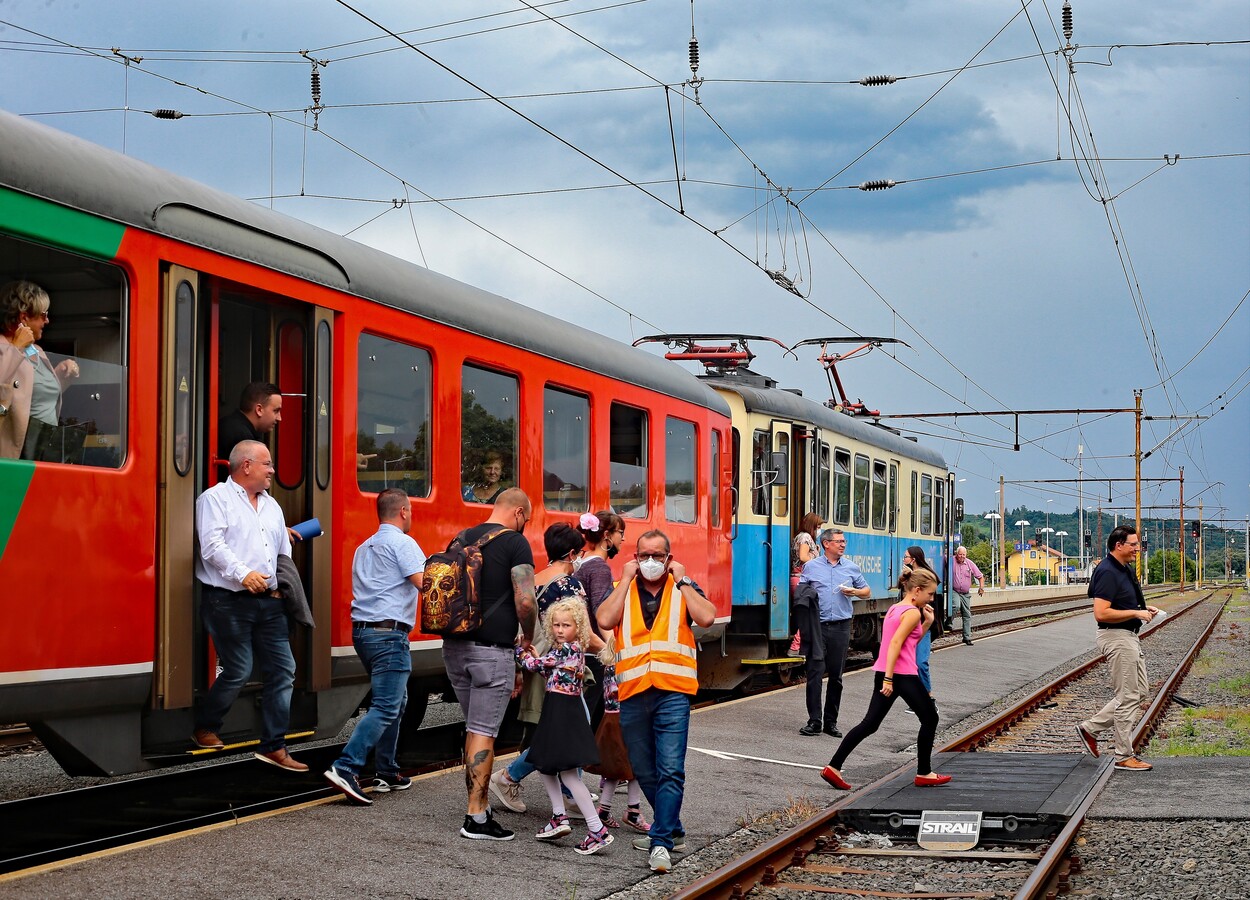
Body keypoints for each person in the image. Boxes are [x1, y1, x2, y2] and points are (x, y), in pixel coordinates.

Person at [596, 529, 717, 874]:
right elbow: (604, 619)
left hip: (673, 692)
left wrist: (684, 581)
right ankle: (672, 829)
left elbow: (707, 617)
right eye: (644, 555)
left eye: (657, 556)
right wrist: (624, 580)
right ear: (635, 558)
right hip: (634, 693)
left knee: (671, 769)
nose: (650, 561)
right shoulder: (623, 589)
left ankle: (660, 842)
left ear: (669, 558)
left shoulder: (683, 588)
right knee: (643, 769)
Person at [192, 440, 307, 772]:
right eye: (267, 464)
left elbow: (282, 552)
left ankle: (274, 746)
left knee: (284, 670)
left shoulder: (273, 506)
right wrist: (244, 574)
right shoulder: (214, 499)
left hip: (269, 603)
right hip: (227, 600)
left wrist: (280, 587)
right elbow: (211, 545)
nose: (272, 470)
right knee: (239, 668)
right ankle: (206, 727)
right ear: (246, 466)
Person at [489, 522, 601, 816]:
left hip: (535, 661)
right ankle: (511, 778)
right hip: (560, 668)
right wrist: (610, 651)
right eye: (580, 553)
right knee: (570, 730)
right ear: (573, 553)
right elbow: (584, 632)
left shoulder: (533, 580)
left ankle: (567, 791)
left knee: (556, 731)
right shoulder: (569, 585)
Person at [444, 487, 537, 841]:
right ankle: (476, 817)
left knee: (473, 728)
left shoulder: (460, 538)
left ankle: (479, 805)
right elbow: (525, 601)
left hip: (454, 648)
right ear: (518, 513)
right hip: (491, 652)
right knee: (484, 731)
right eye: (526, 519)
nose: (525, 526)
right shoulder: (515, 542)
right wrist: (528, 637)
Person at [324, 487, 426, 805]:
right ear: (404, 511)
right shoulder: (403, 543)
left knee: (397, 701)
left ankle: (387, 771)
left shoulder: (364, 547)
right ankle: (346, 766)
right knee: (386, 705)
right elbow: (426, 584)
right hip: (388, 635)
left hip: (364, 634)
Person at [820, 567, 949, 791]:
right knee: (930, 718)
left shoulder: (894, 609)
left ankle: (833, 767)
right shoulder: (912, 613)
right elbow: (895, 644)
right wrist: (889, 679)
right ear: (917, 590)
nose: (931, 599)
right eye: (929, 594)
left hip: (886, 672)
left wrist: (927, 623)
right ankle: (924, 772)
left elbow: (907, 644)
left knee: (870, 724)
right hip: (901, 674)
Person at [515, 598, 614, 856]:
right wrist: (539, 659)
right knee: (544, 763)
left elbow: (532, 666)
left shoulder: (566, 649)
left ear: (578, 627)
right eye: (556, 625)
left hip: (562, 712)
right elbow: (553, 674)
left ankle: (597, 830)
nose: (560, 630)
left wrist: (520, 653)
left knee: (568, 774)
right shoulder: (572, 650)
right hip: (559, 709)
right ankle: (559, 817)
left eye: (566, 625)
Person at [1075, 525, 1160, 772]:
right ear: (1118, 545)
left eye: (1137, 544)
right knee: (1128, 697)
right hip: (1117, 637)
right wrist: (1136, 613)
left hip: (1128, 636)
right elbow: (1101, 613)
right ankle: (1123, 755)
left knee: (1139, 691)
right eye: (1133, 544)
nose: (1137, 548)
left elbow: (1121, 604)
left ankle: (1090, 729)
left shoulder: (1123, 569)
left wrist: (1143, 609)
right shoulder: (1108, 572)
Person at [798, 528, 870, 738]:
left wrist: (855, 592)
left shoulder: (851, 567)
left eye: (843, 541)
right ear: (826, 544)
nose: (843, 544)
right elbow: (801, 593)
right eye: (838, 541)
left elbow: (867, 592)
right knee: (814, 673)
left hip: (841, 626)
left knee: (836, 676)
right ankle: (814, 721)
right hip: (818, 627)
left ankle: (831, 722)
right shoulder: (811, 567)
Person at [0, 280, 80, 460]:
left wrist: (62, 374)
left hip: (45, 449)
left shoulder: (37, 350)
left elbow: (36, 396)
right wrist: (16, 348)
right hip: (18, 456)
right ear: (24, 318)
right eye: (43, 315)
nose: (47, 320)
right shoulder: (3, 347)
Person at [899, 546, 939, 701]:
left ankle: (928, 697)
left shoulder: (926, 576)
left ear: (913, 559)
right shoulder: (909, 576)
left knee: (920, 662)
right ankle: (917, 698)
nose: (904, 559)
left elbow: (930, 601)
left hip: (922, 623)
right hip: (909, 622)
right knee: (910, 663)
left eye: (906, 557)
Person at [218, 381, 282, 460]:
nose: (279, 418)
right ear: (259, 410)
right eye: (276, 411)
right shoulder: (243, 439)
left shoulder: (229, 425)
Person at [789, 513, 823, 654]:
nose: (819, 529)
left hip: (798, 580)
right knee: (809, 615)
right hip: (801, 580)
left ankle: (799, 646)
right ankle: (795, 647)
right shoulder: (805, 537)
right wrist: (818, 560)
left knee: (806, 614)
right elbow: (803, 557)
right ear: (812, 526)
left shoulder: (800, 537)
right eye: (818, 526)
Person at [950, 546, 985, 646]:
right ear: (956, 554)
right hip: (955, 590)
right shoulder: (951, 561)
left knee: (967, 615)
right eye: (960, 554)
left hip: (965, 593)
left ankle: (967, 637)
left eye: (963, 555)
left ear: (966, 555)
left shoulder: (969, 563)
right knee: (955, 606)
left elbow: (980, 576)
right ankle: (948, 623)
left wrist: (981, 588)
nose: (962, 556)